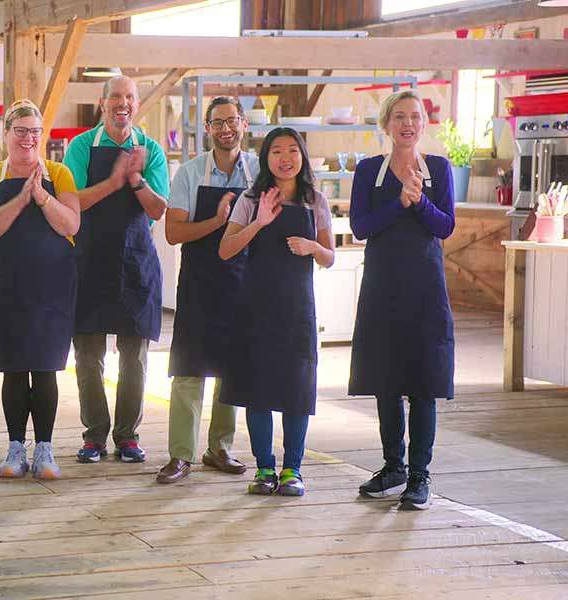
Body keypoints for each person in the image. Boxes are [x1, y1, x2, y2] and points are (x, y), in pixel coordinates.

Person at [350, 90, 455, 511]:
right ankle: (393, 466)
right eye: (399, 116)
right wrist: (400, 203)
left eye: (414, 116)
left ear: (423, 125)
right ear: (386, 124)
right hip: (382, 288)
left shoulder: (440, 169)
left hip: (425, 290)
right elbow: (360, 226)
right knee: (386, 381)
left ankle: (419, 475)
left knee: (424, 382)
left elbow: (445, 226)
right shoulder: (368, 170)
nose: (407, 123)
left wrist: (420, 201)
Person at [218, 127, 335, 497]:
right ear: (265, 159)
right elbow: (225, 250)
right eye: (277, 152)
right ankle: (264, 468)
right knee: (257, 389)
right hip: (255, 306)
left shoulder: (316, 200)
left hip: (297, 308)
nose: (285, 158)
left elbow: (330, 257)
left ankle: (293, 470)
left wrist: (312, 245)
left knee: (296, 389)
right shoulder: (251, 199)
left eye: (292, 151)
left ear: (302, 156)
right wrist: (259, 223)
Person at [62, 75, 169, 464]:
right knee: (88, 357)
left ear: (136, 104)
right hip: (88, 261)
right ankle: (94, 436)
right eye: (115, 97)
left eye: (129, 97)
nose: (122, 103)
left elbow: (158, 209)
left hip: (136, 262)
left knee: (134, 358)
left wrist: (136, 179)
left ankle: (127, 436)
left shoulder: (152, 150)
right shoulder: (81, 147)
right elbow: (73, 202)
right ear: (101, 102)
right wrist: (113, 181)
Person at [0, 100, 80, 479]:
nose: (28, 138)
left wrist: (42, 197)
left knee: (46, 367)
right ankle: (16, 448)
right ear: (6, 135)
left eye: (34, 131)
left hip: (52, 285)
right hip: (6, 285)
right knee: (15, 368)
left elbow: (70, 225)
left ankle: (46, 450)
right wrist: (20, 199)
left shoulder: (59, 173)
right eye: (20, 131)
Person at [156, 96, 257, 484]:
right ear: (208, 129)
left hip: (244, 281)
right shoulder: (190, 173)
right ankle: (180, 454)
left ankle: (220, 449)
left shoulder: (259, 173)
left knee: (230, 369)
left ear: (244, 124)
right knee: (189, 368)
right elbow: (174, 231)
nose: (225, 129)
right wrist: (218, 222)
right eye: (217, 123)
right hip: (200, 282)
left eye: (232, 121)